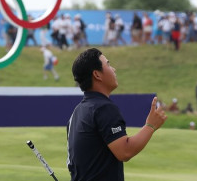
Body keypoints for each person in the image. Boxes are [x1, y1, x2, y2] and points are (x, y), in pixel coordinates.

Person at [67, 48, 167, 181]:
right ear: (97, 75)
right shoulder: (103, 107)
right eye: (108, 64)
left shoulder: (77, 112)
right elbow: (125, 151)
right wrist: (150, 126)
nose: (113, 69)